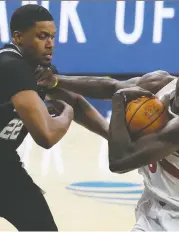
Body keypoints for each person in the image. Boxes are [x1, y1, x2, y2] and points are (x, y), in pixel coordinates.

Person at [38, 52, 179, 230]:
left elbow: (119, 161)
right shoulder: (162, 83)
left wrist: (119, 102)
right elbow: (113, 87)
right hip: (153, 210)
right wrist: (56, 81)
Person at [0, 4, 108, 231]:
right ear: (18, 37)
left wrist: (112, 136)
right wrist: (66, 113)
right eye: (42, 36)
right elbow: (47, 136)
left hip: (5, 166)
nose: (50, 44)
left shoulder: (39, 69)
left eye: (52, 37)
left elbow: (76, 101)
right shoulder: (10, 66)